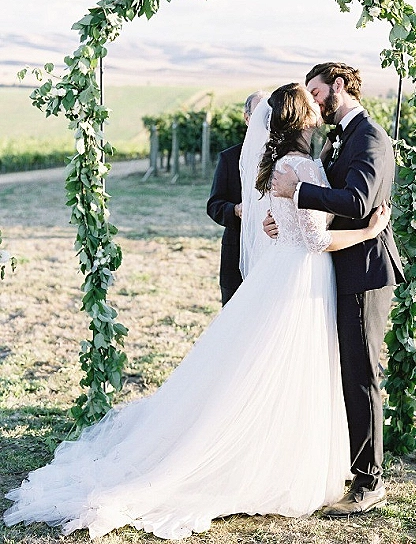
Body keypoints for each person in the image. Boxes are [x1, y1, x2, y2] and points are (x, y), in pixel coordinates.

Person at [4, 82, 391, 540]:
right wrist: (368, 233)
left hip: (293, 274)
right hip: (302, 275)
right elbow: (314, 238)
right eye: (310, 102)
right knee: (287, 369)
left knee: (280, 369)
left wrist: (284, 218)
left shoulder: (288, 162)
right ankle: (279, 463)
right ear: (301, 118)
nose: (317, 106)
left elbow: (289, 221)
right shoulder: (299, 166)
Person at [268, 62, 405, 516]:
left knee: (362, 375)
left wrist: (298, 192)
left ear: (339, 86)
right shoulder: (336, 139)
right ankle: (346, 465)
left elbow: (359, 202)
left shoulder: (370, 138)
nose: (311, 100)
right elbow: (323, 210)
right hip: (336, 266)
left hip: (363, 271)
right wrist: (284, 218)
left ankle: (370, 482)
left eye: (316, 90)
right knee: (343, 372)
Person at [207, 90, 267, 305]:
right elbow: (214, 205)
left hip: (272, 255)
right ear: (247, 118)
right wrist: (235, 210)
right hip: (236, 252)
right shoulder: (229, 158)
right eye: (258, 114)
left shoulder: (284, 157)